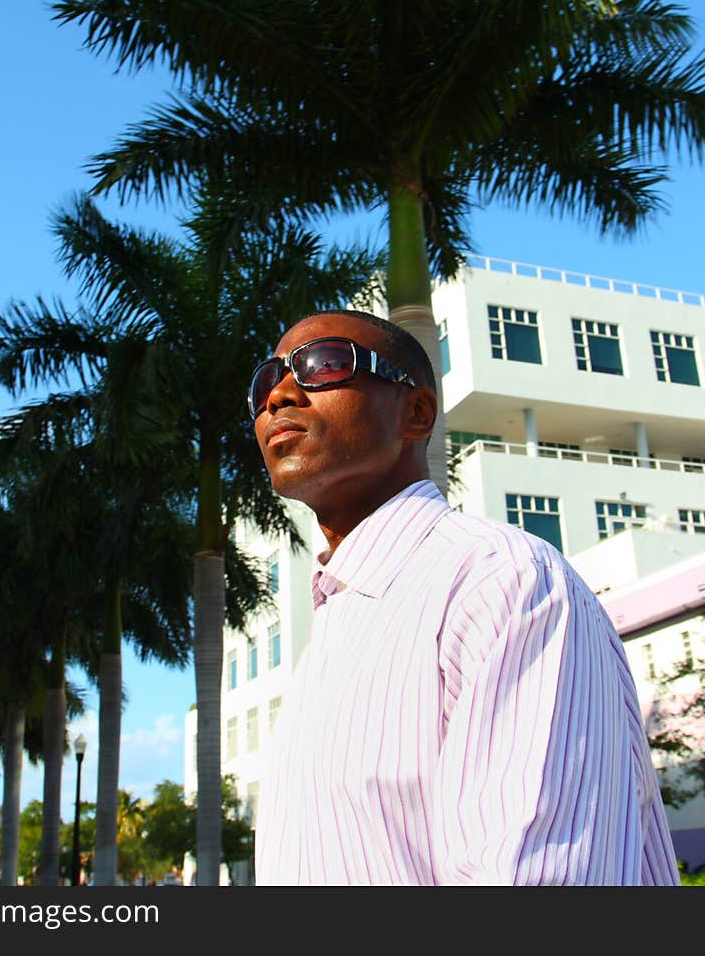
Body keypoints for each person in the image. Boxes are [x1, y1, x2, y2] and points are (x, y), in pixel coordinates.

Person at [250, 308, 680, 886]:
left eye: (321, 365)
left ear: (417, 413)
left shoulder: (501, 581)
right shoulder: (336, 619)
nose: (278, 394)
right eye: (265, 382)